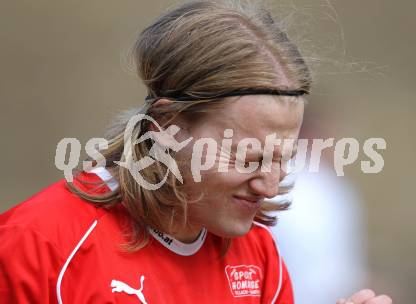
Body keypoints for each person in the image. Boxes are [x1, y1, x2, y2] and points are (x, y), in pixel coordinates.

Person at [0, 1, 392, 304]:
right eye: (248, 158)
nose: (270, 187)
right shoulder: (37, 245)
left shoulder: (256, 253)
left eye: (283, 158)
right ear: (168, 129)